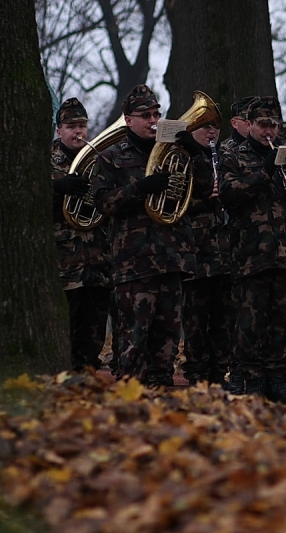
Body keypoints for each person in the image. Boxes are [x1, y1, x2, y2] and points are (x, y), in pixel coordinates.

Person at [218, 96, 286, 403]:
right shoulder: (234, 156)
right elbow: (228, 194)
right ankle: (251, 379)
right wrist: (264, 170)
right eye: (263, 125)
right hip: (251, 254)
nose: (269, 131)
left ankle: (277, 378)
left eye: (273, 126)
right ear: (249, 125)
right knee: (250, 323)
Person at [93, 84, 198, 386]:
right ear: (128, 120)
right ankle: (130, 407)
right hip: (135, 264)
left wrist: (195, 152)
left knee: (166, 346)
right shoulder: (110, 157)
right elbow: (103, 203)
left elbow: (203, 190)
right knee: (133, 341)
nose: (153, 121)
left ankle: (162, 408)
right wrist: (140, 188)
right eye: (145, 116)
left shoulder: (171, 152)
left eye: (156, 114)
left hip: (173, 258)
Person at [51, 98, 113, 372]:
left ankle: (88, 370)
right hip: (64, 262)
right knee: (67, 322)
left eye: (82, 126)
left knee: (95, 323)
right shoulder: (46, 164)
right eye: (71, 126)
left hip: (98, 258)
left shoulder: (96, 161)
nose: (78, 132)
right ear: (59, 130)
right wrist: (57, 188)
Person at [179, 120, 237, 387]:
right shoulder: (182, 157)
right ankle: (196, 374)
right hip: (196, 249)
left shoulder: (225, 157)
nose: (211, 131)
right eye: (205, 126)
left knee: (223, 317)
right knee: (195, 319)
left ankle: (217, 373)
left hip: (225, 251)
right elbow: (177, 201)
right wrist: (207, 200)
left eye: (215, 126)